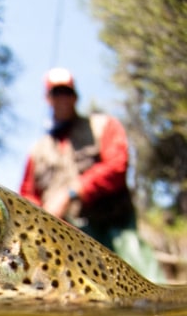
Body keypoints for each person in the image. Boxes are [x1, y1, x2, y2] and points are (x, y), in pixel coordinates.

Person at [19, 67, 164, 282]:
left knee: (148, 287)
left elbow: (117, 166)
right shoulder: (37, 151)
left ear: (75, 96)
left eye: (67, 92)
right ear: (48, 98)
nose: (63, 98)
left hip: (115, 231)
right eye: (56, 93)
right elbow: (27, 195)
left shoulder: (103, 126)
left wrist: (72, 192)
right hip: (66, 244)